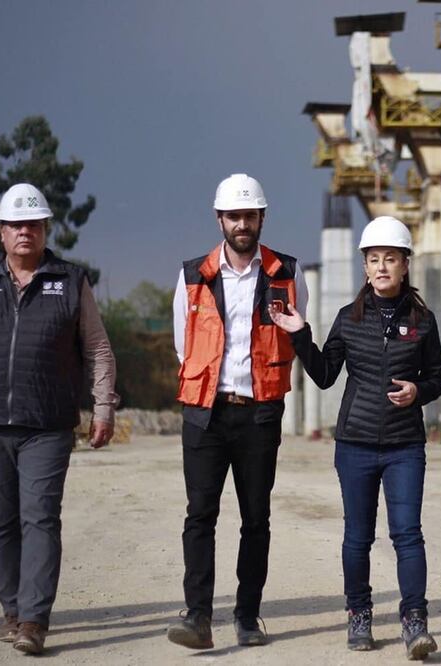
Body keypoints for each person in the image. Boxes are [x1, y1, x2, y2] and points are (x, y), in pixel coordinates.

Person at [0, 183, 118, 655]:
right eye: (16, 225)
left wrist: (103, 407)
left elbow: (97, 348)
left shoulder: (70, 281)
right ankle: (11, 608)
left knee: (40, 517)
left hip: (48, 424)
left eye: (33, 225)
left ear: (45, 229)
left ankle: (34, 619)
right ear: (0, 232)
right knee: (1, 521)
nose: (24, 232)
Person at [270, 216, 441, 660]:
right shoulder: (349, 319)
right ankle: (359, 614)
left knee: (408, 534)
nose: (381, 267)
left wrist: (418, 391)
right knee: (357, 537)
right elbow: (326, 375)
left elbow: (437, 379)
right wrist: (300, 335)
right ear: (364, 267)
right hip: (356, 444)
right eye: (373, 260)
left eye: (390, 259)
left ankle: (414, 621)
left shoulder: (423, 321)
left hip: (406, 445)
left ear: (405, 264)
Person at [168, 173, 308, 650]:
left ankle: (247, 617)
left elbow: (295, 331)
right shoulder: (192, 275)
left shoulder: (287, 273)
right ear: (219, 219)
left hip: (259, 414)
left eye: (250, 215)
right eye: (234, 216)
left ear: (261, 218)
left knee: (256, 518)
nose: (242, 224)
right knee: (199, 516)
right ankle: (198, 617)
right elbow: (181, 345)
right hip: (205, 415)